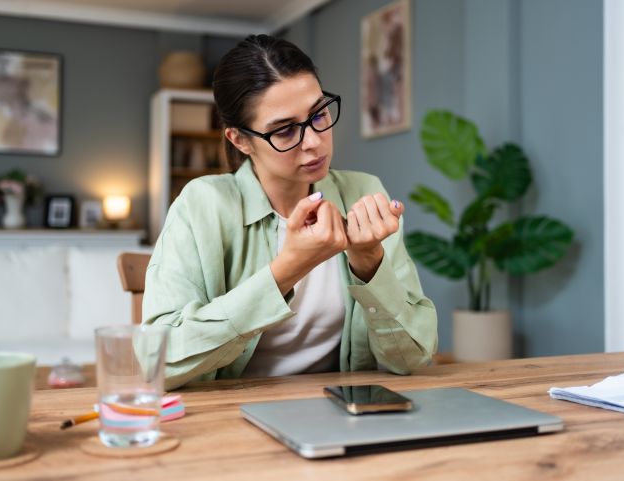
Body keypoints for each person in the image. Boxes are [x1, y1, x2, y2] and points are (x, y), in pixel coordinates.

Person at [144, 34, 437, 389]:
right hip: (232, 417)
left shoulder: (364, 192)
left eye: (319, 115)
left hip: (342, 413)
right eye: (284, 131)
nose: (313, 141)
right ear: (239, 139)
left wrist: (369, 261)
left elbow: (412, 360)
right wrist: (287, 269)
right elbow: (157, 364)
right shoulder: (202, 205)